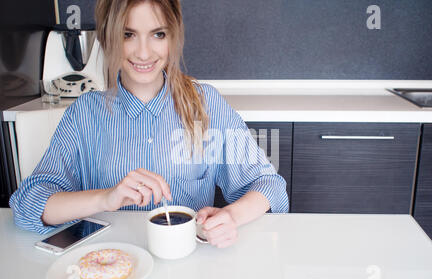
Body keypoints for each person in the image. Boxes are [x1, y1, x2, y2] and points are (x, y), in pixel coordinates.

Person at [9, 0, 289, 248]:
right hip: (110, 269)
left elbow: (270, 186)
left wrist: (230, 216)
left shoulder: (206, 105)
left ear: (173, 37)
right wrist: (106, 198)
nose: (144, 53)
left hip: (187, 268)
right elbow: (26, 204)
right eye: (128, 34)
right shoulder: (85, 115)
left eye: (158, 34)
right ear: (108, 37)